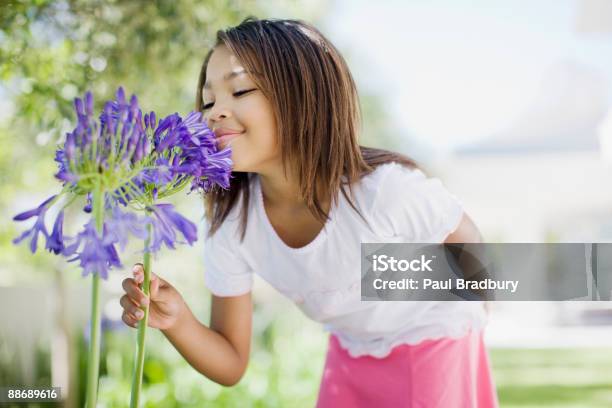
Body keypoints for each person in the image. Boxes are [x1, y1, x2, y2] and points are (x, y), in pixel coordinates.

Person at [120, 17, 499, 407]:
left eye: (241, 89)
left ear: (305, 97)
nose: (215, 112)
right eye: (209, 99)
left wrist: (472, 315)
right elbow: (231, 362)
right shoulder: (233, 224)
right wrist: (176, 320)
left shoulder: (385, 192)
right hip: (350, 351)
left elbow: (465, 238)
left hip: (434, 339)